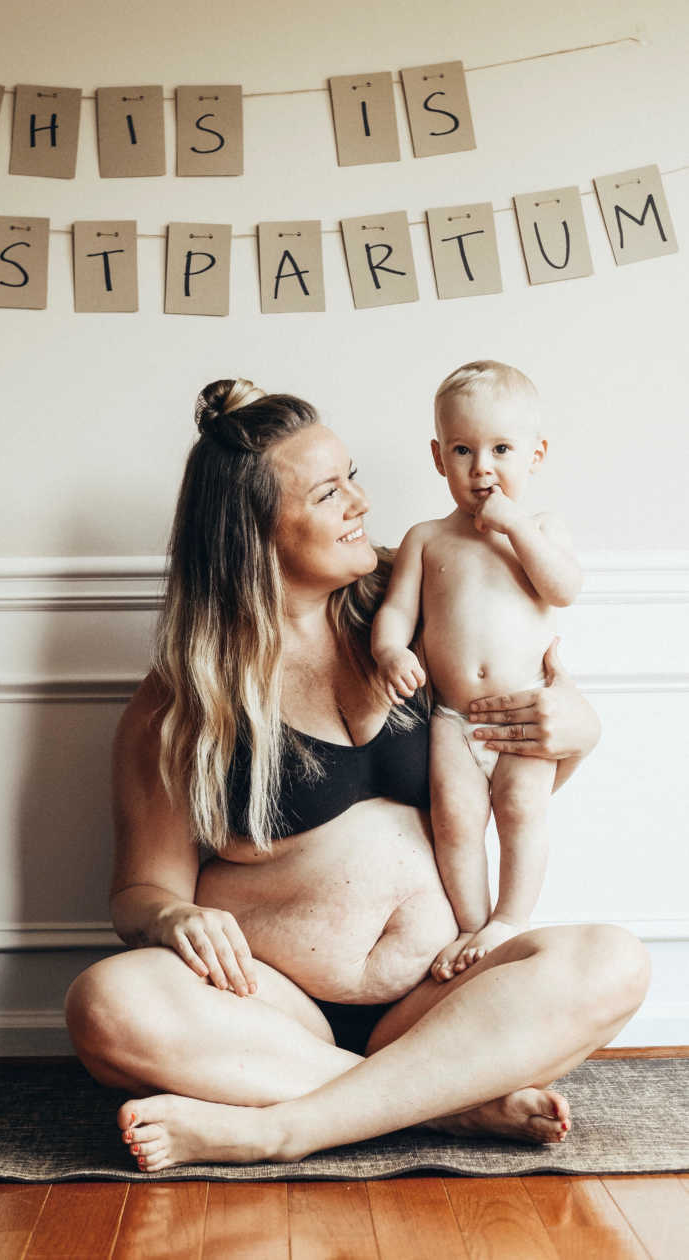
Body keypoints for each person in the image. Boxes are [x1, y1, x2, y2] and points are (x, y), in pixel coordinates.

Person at [64, 379, 649, 1174]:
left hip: (435, 999)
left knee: (612, 962)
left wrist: (576, 735)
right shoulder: (182, 697)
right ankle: (449, 1103)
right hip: (262, 1013)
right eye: (328, 491)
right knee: (106, 1004)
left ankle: (285, 1127)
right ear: (252, 531)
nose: (360, 502)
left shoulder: (415, 616)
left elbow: (508, 789)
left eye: (353, 476)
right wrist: (173, 919)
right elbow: (139, 893)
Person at [371, 361, 582, 983]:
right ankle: (471, 924)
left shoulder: (542, 528)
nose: (481, 467)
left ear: (536, 455)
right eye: (463, 449)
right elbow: (396, 612)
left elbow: (565, 588)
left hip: (523, 716)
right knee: (455, 821)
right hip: (453, 718)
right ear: (439, 458)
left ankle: (510, 919)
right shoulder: (428, 538)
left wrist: (517, 527)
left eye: (501, 449)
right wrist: (391, 653)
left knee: (521, 811)